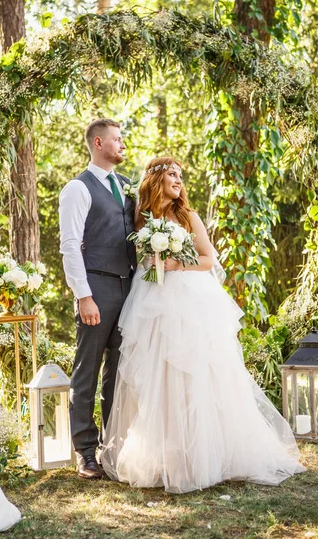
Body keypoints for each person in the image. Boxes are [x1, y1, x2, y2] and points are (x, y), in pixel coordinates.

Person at [101, 156, 305, 493]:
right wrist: (156, 258)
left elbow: (209, 259)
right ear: (156, 180)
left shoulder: (188, 216)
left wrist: (178, 263)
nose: (179, 180)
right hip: (150, 297)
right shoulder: (141, 217)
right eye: (172, 174)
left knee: (193, 374)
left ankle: (203, 455)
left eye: (181, 175)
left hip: (188, 299)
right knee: (157, 376)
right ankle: (164, 456)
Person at [59, 119, 137, 479]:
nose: (123, 144)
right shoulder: (77, 188)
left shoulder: (126, 186)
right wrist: (83, 296)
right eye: (118, 139)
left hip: (131, 289)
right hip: (98, 288)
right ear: (99, 142)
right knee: (87, 371)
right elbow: (70, 245)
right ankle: (86, 453)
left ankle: (114, 445)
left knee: (119, 374)